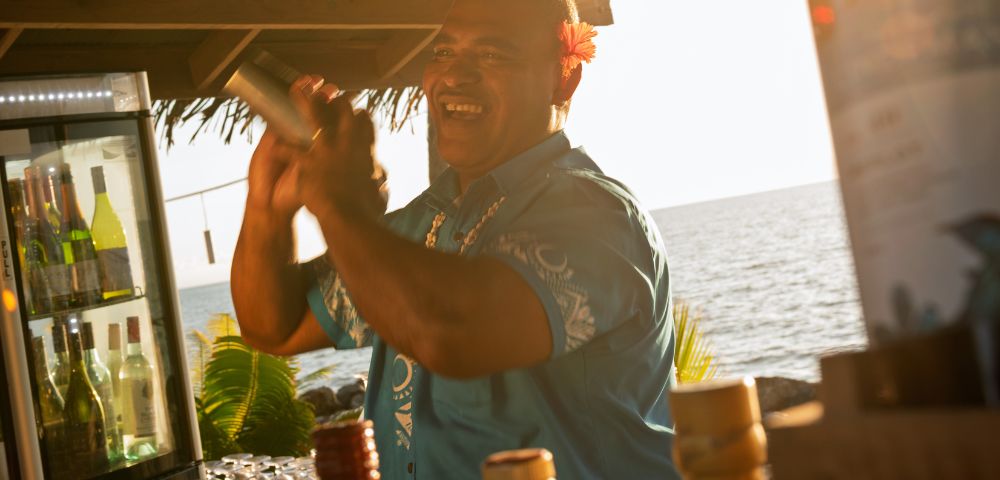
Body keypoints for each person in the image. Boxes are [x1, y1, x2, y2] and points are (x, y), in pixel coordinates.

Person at [231, 0, 679, 477]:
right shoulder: (418, 226)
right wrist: (268, 205)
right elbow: (276, 325)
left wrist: (341, 208)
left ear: (563, 79)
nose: (453, 76)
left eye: (493, 55)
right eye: (443, 52)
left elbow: (453, 332)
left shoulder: (597, 218)